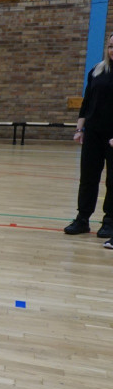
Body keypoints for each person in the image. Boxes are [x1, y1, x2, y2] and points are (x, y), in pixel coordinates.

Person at [65, 33, 113, 240]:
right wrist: (79, 129)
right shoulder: (97, 71)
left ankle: (109, 221)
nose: (112, 50)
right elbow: (87, 103)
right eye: (111, 46)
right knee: (88, 178)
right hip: (93, 132)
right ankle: (82, 218)